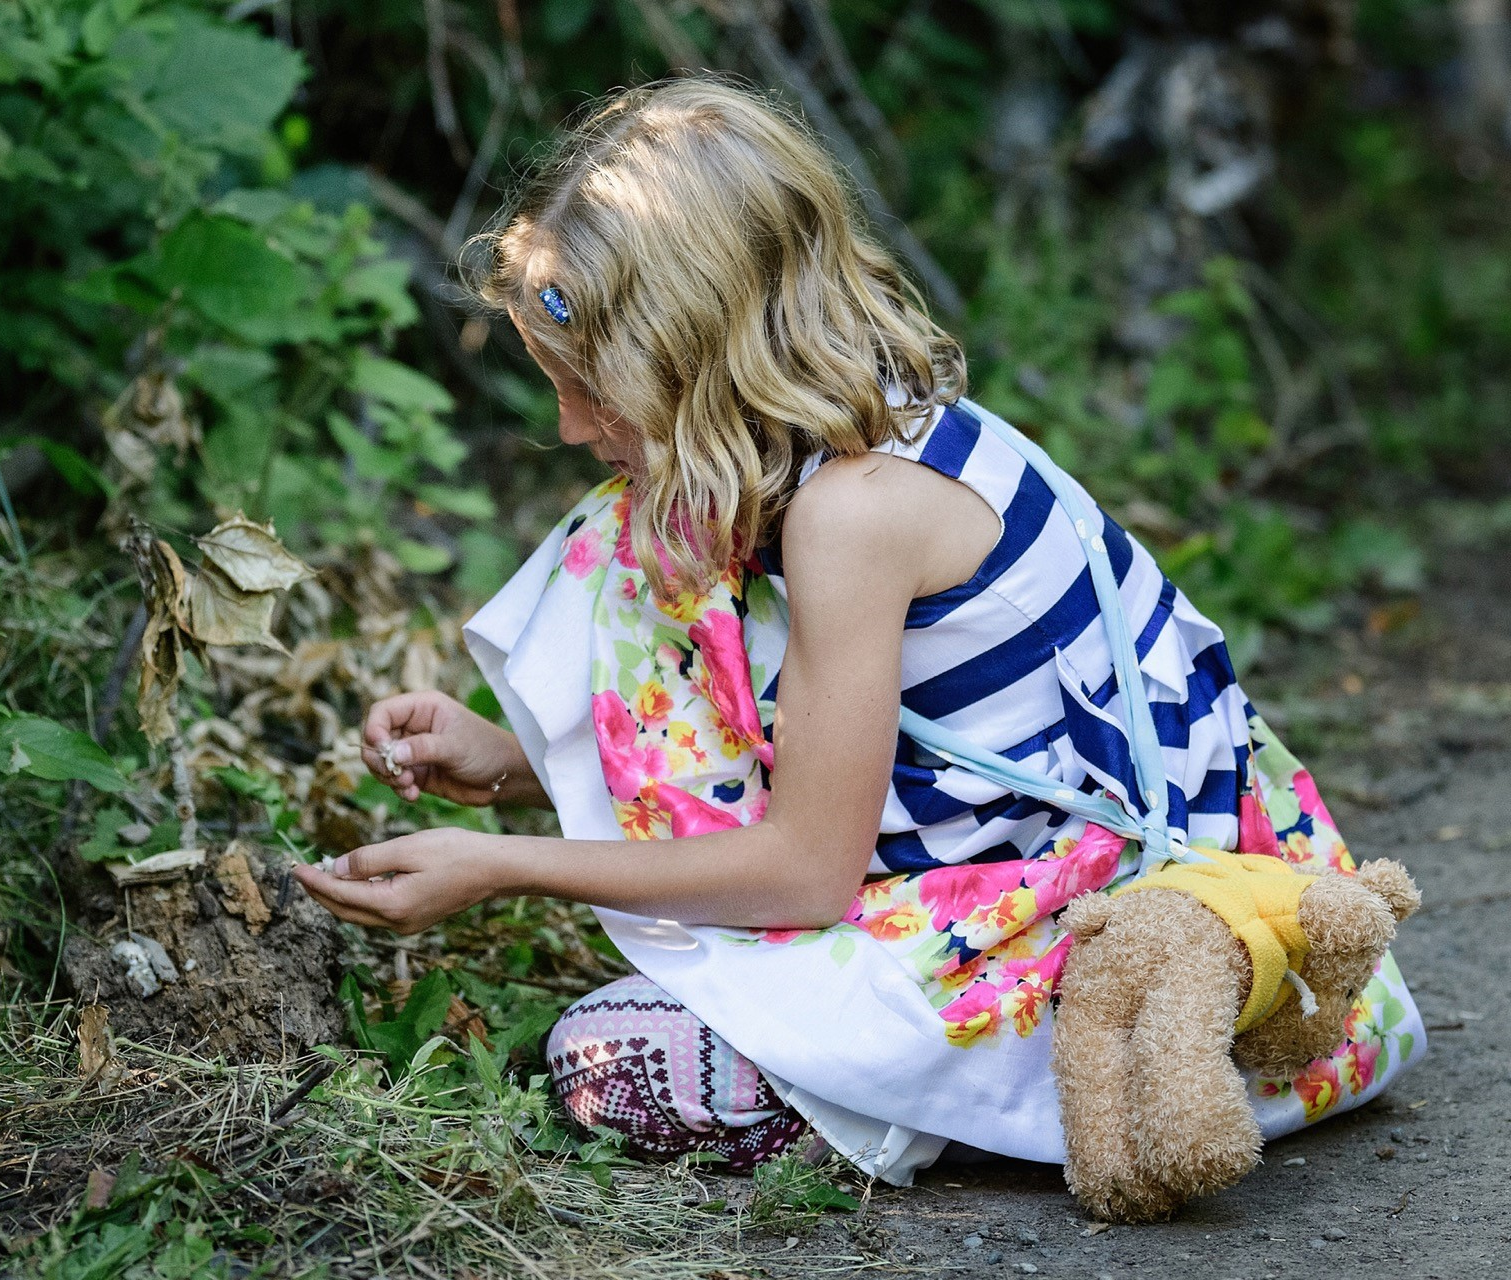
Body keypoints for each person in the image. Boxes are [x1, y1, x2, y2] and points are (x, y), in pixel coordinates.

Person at [293, 76, 1423, 1184]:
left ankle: (962, 1101)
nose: (572, 427)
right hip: (1040, 856)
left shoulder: (854, 512)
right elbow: (859, 751)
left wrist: (500, 869)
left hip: (1112, 923)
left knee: (612, 1056)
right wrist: (513, 765)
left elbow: (803, 872)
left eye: (596, 390)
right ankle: (894, 1073)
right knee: (642, 530)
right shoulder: (867, 430)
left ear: (703, 355)